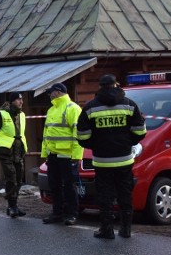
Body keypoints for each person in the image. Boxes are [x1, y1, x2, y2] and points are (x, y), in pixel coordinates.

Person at [76, 74, 146, 239]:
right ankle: (126, 229)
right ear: (116, 85)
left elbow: (82, 136)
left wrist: (97, 145)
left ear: (100, 86)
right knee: (125, 193)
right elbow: (140, 132)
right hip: (124, 159)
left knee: (105, 195)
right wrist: (127, 142)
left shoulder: (91, 107)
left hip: (102, 161)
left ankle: (107, 230)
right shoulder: (129, 104)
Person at [40, 82, 83, 226]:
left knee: (69, 186)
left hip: (67, 155)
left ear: (57, 92)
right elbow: (46, 134)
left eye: (50, 92)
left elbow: (78, 134)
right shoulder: (51, 110)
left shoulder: (73, 108)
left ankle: (72, 214)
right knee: (54, 185)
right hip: (53, 155)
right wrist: (45, 153)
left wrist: (76, 156)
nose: (49, 94)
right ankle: (57, 213)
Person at [0, 91, 28, 218]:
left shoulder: (22, 115)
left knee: (19, 179)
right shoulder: (2, 114)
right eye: (18, 100)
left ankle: (14, 205)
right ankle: (12, 206)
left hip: (18, 153)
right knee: (11, 178)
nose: (21, 102)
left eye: (21, 100)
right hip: (6, 153)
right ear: (11, 101)